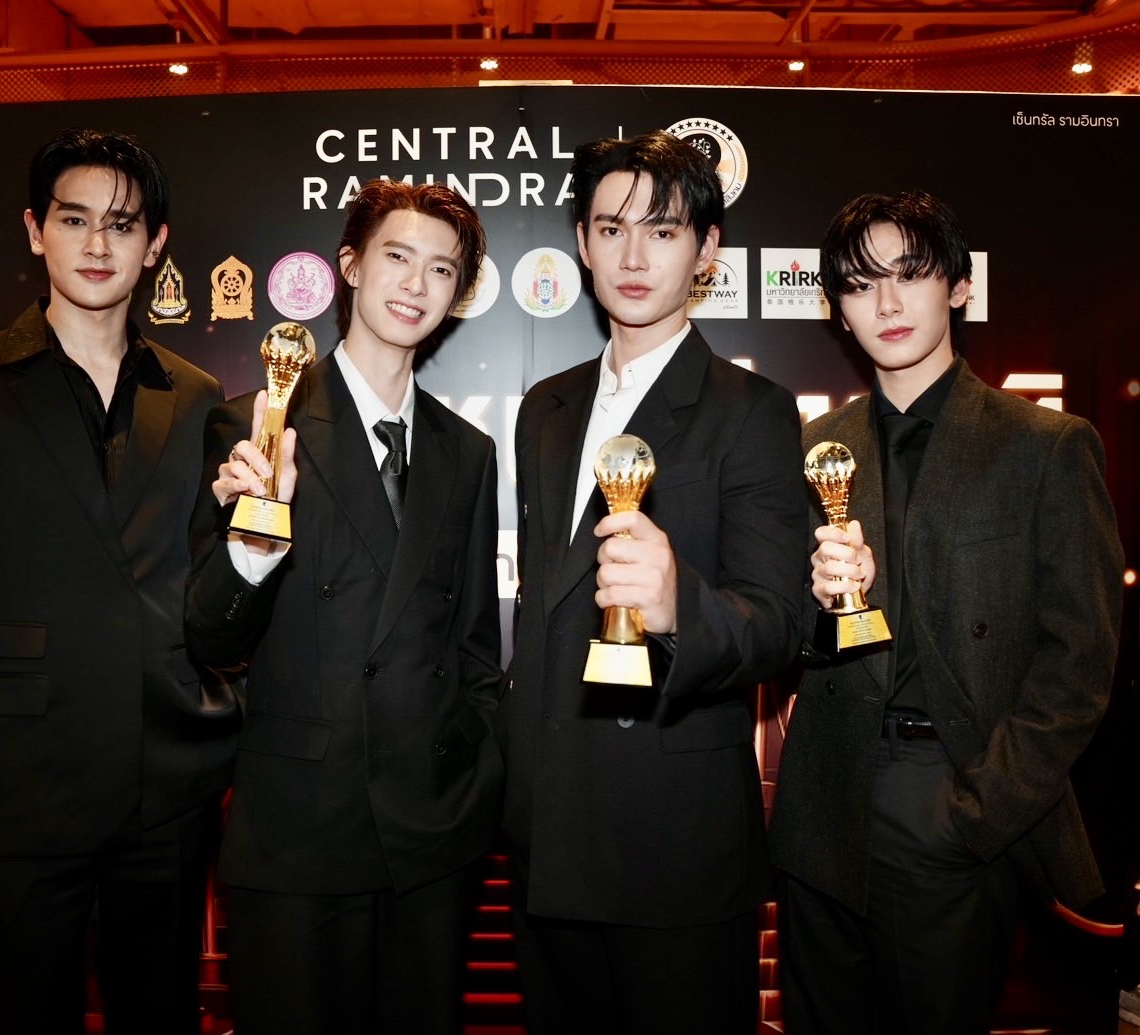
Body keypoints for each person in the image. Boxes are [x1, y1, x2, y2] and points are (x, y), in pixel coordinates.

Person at [0, 128, 238, 1034]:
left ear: (156, 244)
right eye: (74, 220)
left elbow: (205, 589)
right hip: (22, 778)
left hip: (165, 780)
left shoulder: (193, 395)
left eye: (122, 224)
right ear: (36, 231)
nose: (97, 244)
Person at [769, 190, 1125, 1034]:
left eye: (910, 273)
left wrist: (976, 811)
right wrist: (813, 611)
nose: (887, 303)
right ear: (836, 310)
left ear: (958, 286)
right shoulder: (812, 449)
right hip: (821, 803)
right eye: (860, 284)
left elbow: (1079, 662)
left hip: (949, 797)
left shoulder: (1043, 445)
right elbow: (783, 639)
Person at [496, 129, 809, 1034]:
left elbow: (778, 621)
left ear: (706, 249)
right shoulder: (544, 407)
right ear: (582, 244)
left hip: (670, 834)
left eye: (663, 231)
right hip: (544, 826)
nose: (633, 257)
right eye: (611, 229)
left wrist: (681, 608)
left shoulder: (752, 411)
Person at [185, 179, 502, 1034]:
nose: (416, 284)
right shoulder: (257, 425)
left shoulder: (467, 452)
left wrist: (474, 781)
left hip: (431, 835)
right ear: (351, 266)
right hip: (299, 827)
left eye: (442, 269)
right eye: (397, 256)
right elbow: (208, 632)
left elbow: (475, 644)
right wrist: (252, 549)